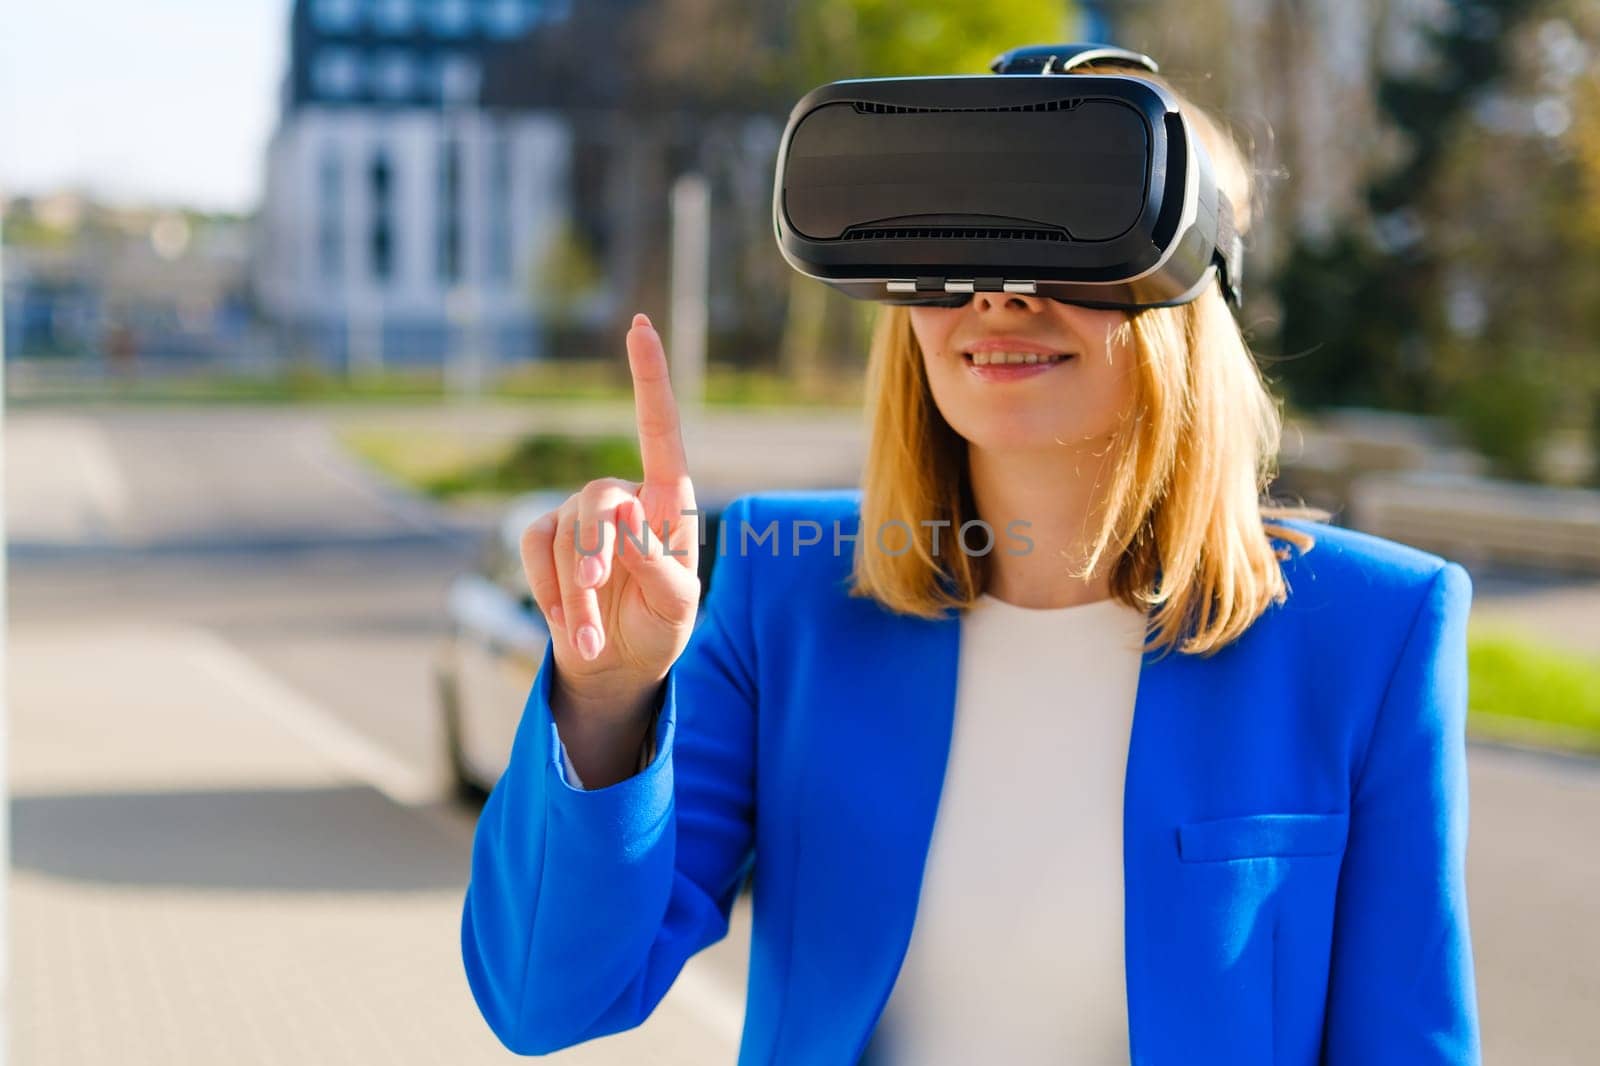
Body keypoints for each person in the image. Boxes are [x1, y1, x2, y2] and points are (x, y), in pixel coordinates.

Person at [460, 61, 1481, 1066]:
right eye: (953, 236)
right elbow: (545, 999)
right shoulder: (789, 597)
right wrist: (605, 697)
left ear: (1193, 283)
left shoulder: (1370, 631)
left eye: (1067, 226)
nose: (998, 292)